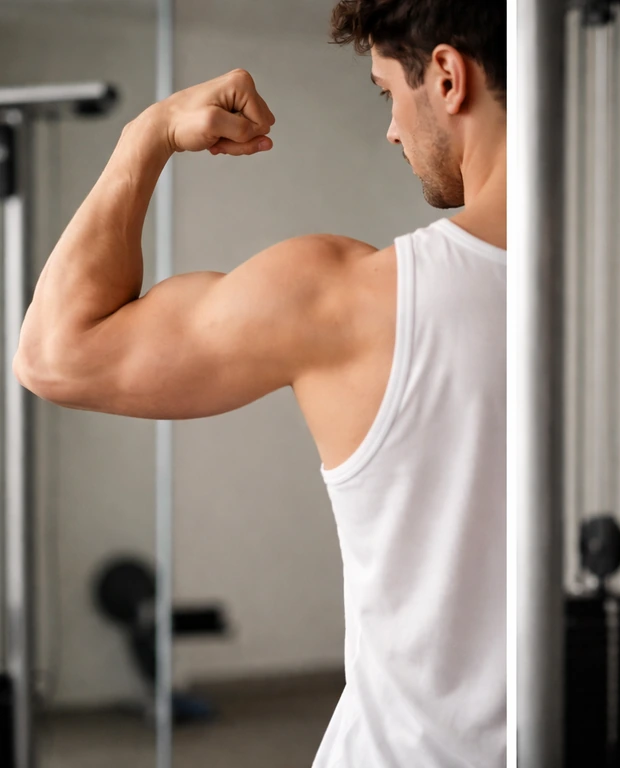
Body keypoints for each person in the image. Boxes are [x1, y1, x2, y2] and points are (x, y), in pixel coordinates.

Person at [14, 1, 506, 766]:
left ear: (446, 76)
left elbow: (55, 353)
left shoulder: (344, 299)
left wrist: (145, 134)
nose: (390, 129)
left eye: (386, 93)